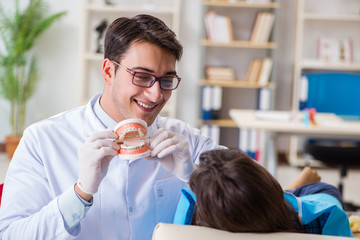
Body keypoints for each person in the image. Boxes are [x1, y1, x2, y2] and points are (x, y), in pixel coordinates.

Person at [0, 14, 224, 239]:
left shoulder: (187, 142)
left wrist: (195, 177)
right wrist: (80, 193)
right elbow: (11, 235)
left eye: (166, 80)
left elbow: (256, 205)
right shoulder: (42, 140)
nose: (156, 94)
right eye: (142, 76)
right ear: (108, 71)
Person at [174, 149, 353, 237]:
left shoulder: (192, 209)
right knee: (317, 190)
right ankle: (299, 182)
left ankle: (295, 185)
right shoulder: (325, 216)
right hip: (307, 199)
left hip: (256, 204)